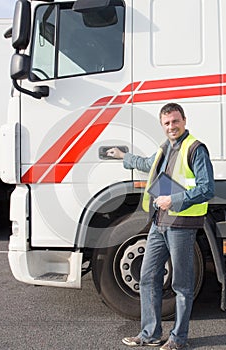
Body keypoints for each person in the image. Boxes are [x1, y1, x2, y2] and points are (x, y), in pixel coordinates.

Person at [107, 103, 214, 350]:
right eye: (166, 123)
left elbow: (206, 188)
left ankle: (178, 339)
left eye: (175, 121)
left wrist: (173, 199)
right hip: (159, 223)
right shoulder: (166, 147)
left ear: (184, 121)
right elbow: (149, 164)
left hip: (182, 225)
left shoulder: (195, 149)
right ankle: (150, 334)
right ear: (162, 125)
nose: (171, 126)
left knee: (182, 285)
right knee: (147, 277)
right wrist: (125, 157)